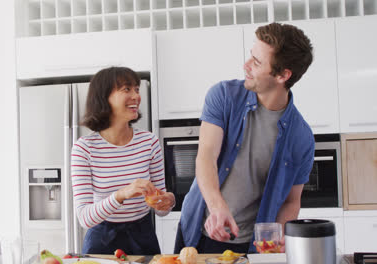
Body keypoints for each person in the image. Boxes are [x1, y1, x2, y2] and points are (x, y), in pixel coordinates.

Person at [174, 22, 315, 254]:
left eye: (257, 62)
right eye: (251, 56)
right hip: (199, 231)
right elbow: (206, 156)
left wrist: (279, 235)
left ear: (283, 75)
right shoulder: (224, 95)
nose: (246, 65)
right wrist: (217, 207)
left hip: (250, 246)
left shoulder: (301, 137)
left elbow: (292, 201)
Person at [71, 66, 175, 255]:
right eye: (127, 89)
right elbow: (84, 218)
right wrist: (121, 194)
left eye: (136, 89)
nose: (136, 95)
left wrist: (168, 201)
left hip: (143, 237)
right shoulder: (84, 148)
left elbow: (161, 209)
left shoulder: (149, 142)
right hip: (101, 242)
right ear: (104, 98)